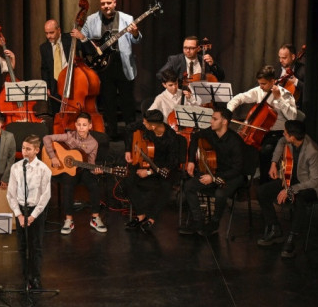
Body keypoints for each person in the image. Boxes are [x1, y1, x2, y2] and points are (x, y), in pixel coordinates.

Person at [72, 0, 142, 140]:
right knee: (108, 103)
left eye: (109, 3)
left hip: (123, 65)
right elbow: (83, 40)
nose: (106, 6)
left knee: (127, 103)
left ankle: (131, 137)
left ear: (114, 3)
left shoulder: (127, 18)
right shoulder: (91, 19)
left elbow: (136, 40)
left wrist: (135, 33)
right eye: (103, 3)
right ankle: (111, 135)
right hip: (103, 68)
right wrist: (81, 37)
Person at [256, 120, 318, 258]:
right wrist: (273, 163)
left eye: (285, 132)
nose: (283, 134)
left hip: (311, 186)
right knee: (262, 191)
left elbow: (314, 181)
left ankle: (292, 238)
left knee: (299, 200)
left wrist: (290, 190)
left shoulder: (313, 152)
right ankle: (275, 228)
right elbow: (281, 142)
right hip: (291, 179)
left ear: (293, 137)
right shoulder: (290, 140)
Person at [179, 108, 246, 237]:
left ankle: (214, 223)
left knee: (220, 193)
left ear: (224, 122)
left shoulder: (235, 141)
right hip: (213, 171)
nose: (211, 121)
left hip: (232, 176)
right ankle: (198, 221)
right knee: (189, 186)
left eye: (215, 119)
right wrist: (191, 161)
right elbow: (195, 137)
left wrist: (214, 177)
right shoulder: (211, 132)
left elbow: (237, 169)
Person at [228, 64, 301, 183]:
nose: (261, 87)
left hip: (278, 133)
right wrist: (229, 110)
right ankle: (241, 181)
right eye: (259, 83)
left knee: (265, 151)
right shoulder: (259, 90)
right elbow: (240, 97)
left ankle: (264, 183)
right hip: (259, 131)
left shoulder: (285, 94)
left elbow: (292, 117)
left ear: (273, 81)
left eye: (263, 84)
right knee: (236, 146)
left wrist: (279, 99)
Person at [43, 112, 108, 234]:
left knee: (94, 184)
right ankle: (69, 220)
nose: (81, 128)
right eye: (79, 125)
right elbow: (46, 138)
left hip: (83, 169)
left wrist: (96, 171)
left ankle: (95, 218)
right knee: (68, 184)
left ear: (90, 126)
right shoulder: (69, 136)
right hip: (67, 170)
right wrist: (53, 157)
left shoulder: (93, 143)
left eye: (84, 125)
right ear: (75, 125)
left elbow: (91, 164)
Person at [123, 109, 181, 233]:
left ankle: (152, 219)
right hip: (146, 161)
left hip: (164, 168)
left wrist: (150, 172)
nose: (143, 123)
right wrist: (128, 149)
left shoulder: (171, 137)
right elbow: (128, 128)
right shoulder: (147, 125)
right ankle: (141, 215)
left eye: (145, 123)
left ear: (153, 126)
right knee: (128, 180)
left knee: (165, 187)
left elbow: (172, 162)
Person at [7, 134, 52, 289]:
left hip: (36, 211)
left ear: (36, 150)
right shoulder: (16, 167)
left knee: (36, 245)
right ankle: (25, 276)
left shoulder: (44, 169)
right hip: (21, 210)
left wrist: (33, 216)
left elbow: (45, 195)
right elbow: (11, 194)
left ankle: (36, 277)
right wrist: (19, 215)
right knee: (22, 246)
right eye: (23, 148)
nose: (24, 152)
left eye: (28, 149)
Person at [39, 19, 76, 115]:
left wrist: (82, 38)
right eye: (46, 33)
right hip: (55, 86)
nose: (48, 36)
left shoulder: (70, 39)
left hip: (72, 82)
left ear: (59, 30)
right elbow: (44, 69)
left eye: (51, 33)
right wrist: (47, 86)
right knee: (57, 115)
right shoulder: (44, 47)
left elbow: (87, 50)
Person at [155, 36, 226, 84]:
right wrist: (175, 81)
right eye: (185, 48)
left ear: (198, 49)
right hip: (182, 95)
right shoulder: (175, 60)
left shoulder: (204, 60)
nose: (187, 50)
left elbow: (221, 77)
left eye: (191, 48)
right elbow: (160, 74)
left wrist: (213, 64)